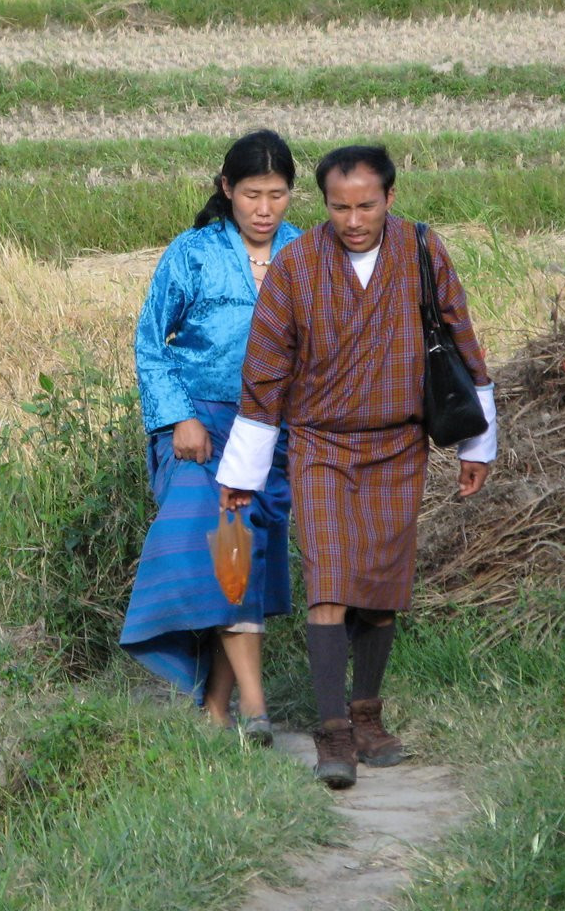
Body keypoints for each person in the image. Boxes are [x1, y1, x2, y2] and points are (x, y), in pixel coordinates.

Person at [216, 144, 496, 788]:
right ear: (324, 205)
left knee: (381, 588)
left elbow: (461, 338)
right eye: (339, 206)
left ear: (390, 199)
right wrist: (241, 474)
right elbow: (264, 373)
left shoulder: (422, 251)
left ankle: (368, 715)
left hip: (400, 446)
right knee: (331, 584)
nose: (353, 219)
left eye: (366, 205)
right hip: (320, 446)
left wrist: (477, 446)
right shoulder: (295, 267)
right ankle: (332, 730)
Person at [120, 129, 301, 745]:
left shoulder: (306, 255)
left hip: (270, 435)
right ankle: (256, 707)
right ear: (227, 190)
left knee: (241, 559)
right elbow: (151, 343)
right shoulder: (191, 253)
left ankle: (218, 711)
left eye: (277, 195)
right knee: (224, 543)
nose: (264, 208)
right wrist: (180, 419)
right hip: (198, 430)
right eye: (252, 193)